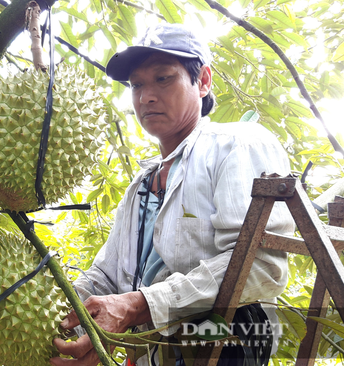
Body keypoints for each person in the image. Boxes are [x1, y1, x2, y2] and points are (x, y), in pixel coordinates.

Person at [50, 24, 294, 366]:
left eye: (163, 78)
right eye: (136, 85)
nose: (145, 96)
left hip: (228, 336)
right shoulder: (142, 184)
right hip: (154, 349)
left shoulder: (237, 143)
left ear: (204, 81)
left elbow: (261, 264)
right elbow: (106, 277)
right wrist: (57, 315)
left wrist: (140, 305)